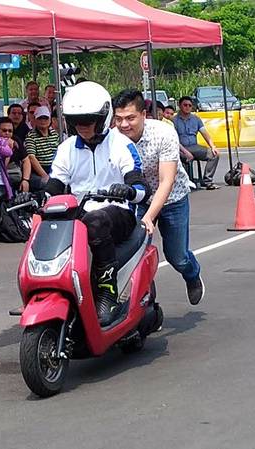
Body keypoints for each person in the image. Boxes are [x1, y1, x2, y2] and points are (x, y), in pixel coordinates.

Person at [47, 81, 151, 325]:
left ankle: (107, 293)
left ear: (103, 117)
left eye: (88, 119)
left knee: (94, 222)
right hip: (81, 212)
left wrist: (127, 190)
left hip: (119, 213)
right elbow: (54, 185)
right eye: (76, 120)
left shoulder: (121, 144)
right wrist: (35, 197)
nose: (82, 126)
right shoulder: (66, 148)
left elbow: (140, 187)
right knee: (46, 221)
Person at [113, 89, 204, 305]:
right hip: (138, 200)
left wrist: (149, 217)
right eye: (119, 119)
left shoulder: (164, 133)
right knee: (134, 256)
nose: (124, 125)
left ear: (144, 115)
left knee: (177, 256)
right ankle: (146, 307)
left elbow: (167, 180)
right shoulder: (113, 138)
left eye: (130, 118)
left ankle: (192, 275)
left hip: (172, 198)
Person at [173, 96, 220, 189]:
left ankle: (207, 181)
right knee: (181, 158)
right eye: (185, 105)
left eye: (190, 105)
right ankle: (185, 182)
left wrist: (213, 146)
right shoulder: (174, 120)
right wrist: (184, 151)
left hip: (195, 147)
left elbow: (205, 134)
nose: (187, 107)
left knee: (214, 154)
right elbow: (173, 139)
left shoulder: (196, 119)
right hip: (180, 148)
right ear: (180, 106)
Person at [24, 106, 60, 182]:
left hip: (55, 168)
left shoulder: (55, 134)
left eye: (45, 118)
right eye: (40, 118)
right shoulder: (31, 136)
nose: (43, 121)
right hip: (38, 171)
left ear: (50, 120)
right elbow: (31, 157)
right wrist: (45, 176)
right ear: (35, 119)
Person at [0, 117, 31, 192]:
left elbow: (26, 160)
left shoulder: (16, 140)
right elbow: (3, 167)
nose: (7, 133)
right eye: (4, 130)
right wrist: (8, 150)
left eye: (10, 131)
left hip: (15, 176)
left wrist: (25, 180)